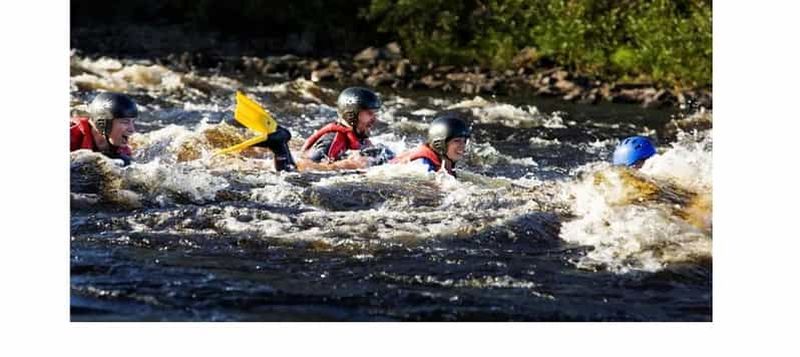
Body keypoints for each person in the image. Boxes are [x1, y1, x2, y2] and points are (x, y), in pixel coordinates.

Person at [298, 87, 392, 171]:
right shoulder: (331, 141)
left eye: (375, 114)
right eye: (369, 114)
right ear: (352, 115)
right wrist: (345, 165)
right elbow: (303, 167)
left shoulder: (359, 136)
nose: (374, 119)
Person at [391, 113, 470, 176]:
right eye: (457, 141)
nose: (462, 145)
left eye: (464, 141)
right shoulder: (423, 165)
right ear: (439, 144)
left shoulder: (445, 161)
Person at [70, 92, 137, 166]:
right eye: (125, 122)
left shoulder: (124, 151)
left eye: (133, 122)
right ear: (102, 124)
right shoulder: (71, 137)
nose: (132, 130)